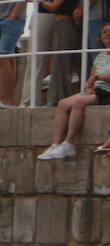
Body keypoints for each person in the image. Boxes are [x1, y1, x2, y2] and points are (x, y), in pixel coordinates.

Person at [39, 22, 110, 160]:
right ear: (100, 37)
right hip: (97, 89)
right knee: (62, 103)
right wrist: (89, 87)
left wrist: (96, 78)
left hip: (107, 91)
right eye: (104, 32)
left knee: (78, 102)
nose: (107, 34)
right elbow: (91, 77)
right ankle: (55, 144)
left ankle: (69, 143)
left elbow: (96, 77)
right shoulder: (100, 56)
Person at [44, 0, 84, 105]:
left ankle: (59, 98)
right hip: (72, 26)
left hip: (63, 25)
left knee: (60, 64)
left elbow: (54, 6)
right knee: (67, 63)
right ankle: (62, 96)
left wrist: (39, 2)